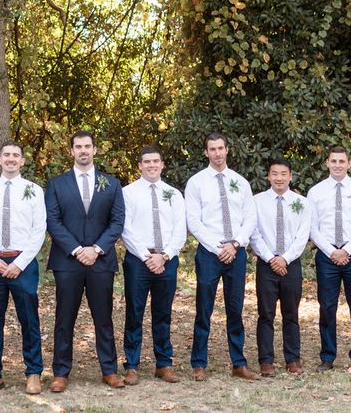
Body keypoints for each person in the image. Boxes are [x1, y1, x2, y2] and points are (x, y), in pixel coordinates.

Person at [45, 130, 125, 392]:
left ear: (95, 150)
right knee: (64, 318)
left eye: (87, 146)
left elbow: (117, 222)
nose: (83, 151)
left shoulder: (111, 184)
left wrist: (97, 249)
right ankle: (60, 372)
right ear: (71, 151)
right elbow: (53, 222)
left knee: (103, 318)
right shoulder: (57, 184)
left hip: (101, 262)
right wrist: (79, 249)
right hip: (68, 261)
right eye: (78, 146)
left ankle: (109, 370)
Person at [0, 141, 46, 395]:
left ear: (22, 161)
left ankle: (33, 372)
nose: (11, 159)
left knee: (29, 319)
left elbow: (39, 230)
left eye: (16, 155)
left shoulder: (34, 190)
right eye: (6, 155)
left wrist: (19, 263)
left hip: (22, 263)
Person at [185, 132, 259, 381]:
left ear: (227, 150)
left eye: (221, 148)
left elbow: (250, 217)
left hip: (236, 253)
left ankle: (238, 363)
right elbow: (194, 221)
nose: (217, 153)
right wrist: (219, 247)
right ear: (206, 152)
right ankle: (199, 363)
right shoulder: (196, 183)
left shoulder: (241, 182)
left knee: (236, 309)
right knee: (203, 308)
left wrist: (236, 244)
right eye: (212, 149)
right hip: (209, 253)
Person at [121, 146, 186, 385]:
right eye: (146, 161)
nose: (151, 165)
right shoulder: (127, 193)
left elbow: (180, 229)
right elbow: (124, 228)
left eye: (155, 161)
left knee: (163, 313)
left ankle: (164, 363)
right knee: (134, 312)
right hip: (139, 260)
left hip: (167, 260)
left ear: (162, 164)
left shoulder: (174, 194)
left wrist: (164, 255)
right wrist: (146, 256)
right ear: (139, 165)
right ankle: (132, 365)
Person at [307, 146, 351, 373]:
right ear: (327, 163)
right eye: (333, 161)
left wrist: (347, 250)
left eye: (341, 161)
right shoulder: (315, 192)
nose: (337, 165)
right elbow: (312, 227)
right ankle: (327, 356)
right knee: (327, 307)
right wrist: (331, 251)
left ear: (349, 164)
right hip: (327, 256)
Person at [249, 159, 311, 376]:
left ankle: (292, 359)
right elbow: (253, 233)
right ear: (268, 176)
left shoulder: (302, 203)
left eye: (283, 174)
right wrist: (270, 258)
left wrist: (285, 258)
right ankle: (266, 360)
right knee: (265, 313)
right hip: (266, 264)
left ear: (290, 176)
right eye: (274, 174)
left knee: (291, 313)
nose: (279, 178)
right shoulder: (256, 202)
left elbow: (303, 235)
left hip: (291, 264)